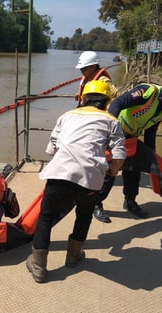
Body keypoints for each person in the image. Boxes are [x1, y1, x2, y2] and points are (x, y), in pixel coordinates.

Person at [26, 80, 126, 283]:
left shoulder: (66, 116)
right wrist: (113, 172)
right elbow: (119, 154)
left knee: (46, 217)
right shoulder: (111, 120)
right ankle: (73, 256)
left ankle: (38, 266)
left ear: (83, 98)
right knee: (84, 215)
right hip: (90, 179)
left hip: (59, 175)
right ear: (107, 101)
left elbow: (51, 149)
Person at [93, 82, 162, 223]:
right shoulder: (147, 91)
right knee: (110, 171)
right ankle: (96, 203)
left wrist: (150, 153)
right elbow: (117, 103)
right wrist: (109, 132)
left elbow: (150, 130)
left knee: (134, 169)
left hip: (132, 137)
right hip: (117, 132)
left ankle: (130, 201)